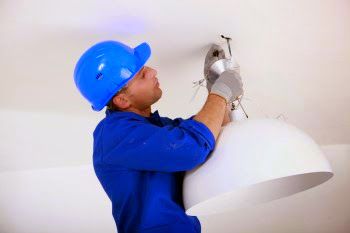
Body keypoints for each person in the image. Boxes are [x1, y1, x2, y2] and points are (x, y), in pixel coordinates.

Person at [73, 40, 243, 233]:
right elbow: (193, 147)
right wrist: (220, 93)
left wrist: (219, 92)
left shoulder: (156, 127)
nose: (153, 71)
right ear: (122, 100)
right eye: (142, 74)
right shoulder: (114, 135)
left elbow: (212, 134)